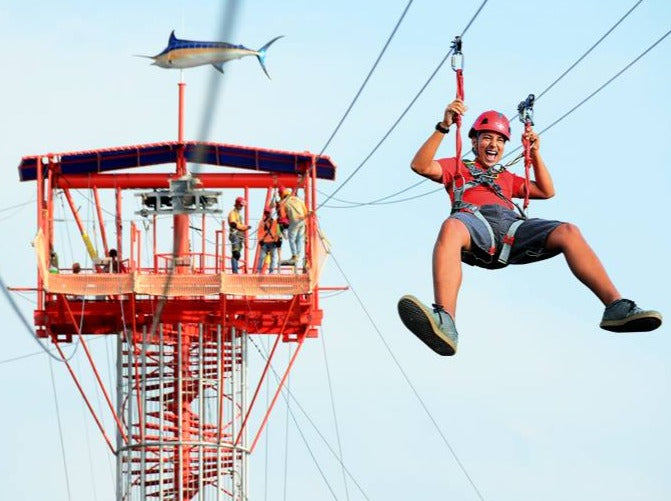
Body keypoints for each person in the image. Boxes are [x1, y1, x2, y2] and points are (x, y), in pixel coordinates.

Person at [397, 98, 662, 356]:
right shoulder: (457, 167)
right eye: (487, 137)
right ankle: (446, 321)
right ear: (474, 141)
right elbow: (419, 165)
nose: (494, 144)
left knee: (568, 231)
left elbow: (547, 191)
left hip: (512, 228)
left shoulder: (506, 178)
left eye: (500, 140)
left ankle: (615, 306)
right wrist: (443, 126)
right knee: (451, 227)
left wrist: (534, 153)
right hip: (474, 224)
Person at [278, 187, 309, 273]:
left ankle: (294, 255)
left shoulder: (283, 202)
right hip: (302, 220)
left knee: (291, 239)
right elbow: (305, 211)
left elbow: (283, 216)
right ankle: (298, 256)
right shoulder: (298, 199)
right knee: (299, 239)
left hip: (294, 220)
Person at [228, 196, 250, 274]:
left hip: (240, 235)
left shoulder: (238, 214)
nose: (241, 207)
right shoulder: (232, 213)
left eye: (242, 206)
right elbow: (234, 224)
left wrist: (245, 228)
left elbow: (238, 224)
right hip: (235, 234)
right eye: (240, 205)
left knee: (237, 254)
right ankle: (235, 271)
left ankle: (235, 269)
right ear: (237, 204)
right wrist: (244, 227)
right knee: (236, 253)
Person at [256, 206, 281, 273]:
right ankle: (259, 270)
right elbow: (259, 233)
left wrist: (279, 240)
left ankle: (271, 271)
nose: (267, 214)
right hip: (265, 242)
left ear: (271, 213)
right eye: (266, 213)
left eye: (268, 213)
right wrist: (260, 240)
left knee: (273, 257)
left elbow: (278, 232)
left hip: (273, 242)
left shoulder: (275, 222)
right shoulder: (262, 223)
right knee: (261, 257)